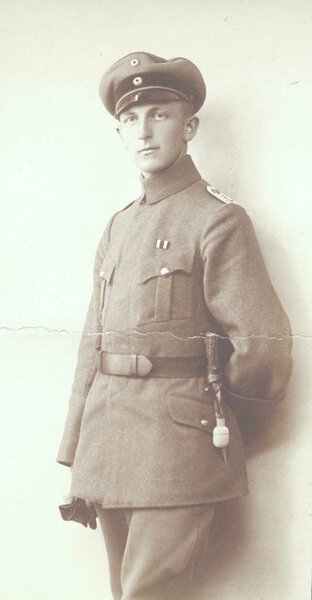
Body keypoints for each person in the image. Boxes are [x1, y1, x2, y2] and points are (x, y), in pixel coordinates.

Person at [57, 52, 292, 600]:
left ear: (189, 127)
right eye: (130, 120)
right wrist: (76, 444)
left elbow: (264, 346)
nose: (144, 130)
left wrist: (223, 429)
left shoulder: (217, 218)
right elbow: (92, 343)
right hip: (110, 440)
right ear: (118, 132)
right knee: (126, 593)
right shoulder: (119, 225)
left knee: (152, 593)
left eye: (159, 114)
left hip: (181, 447)